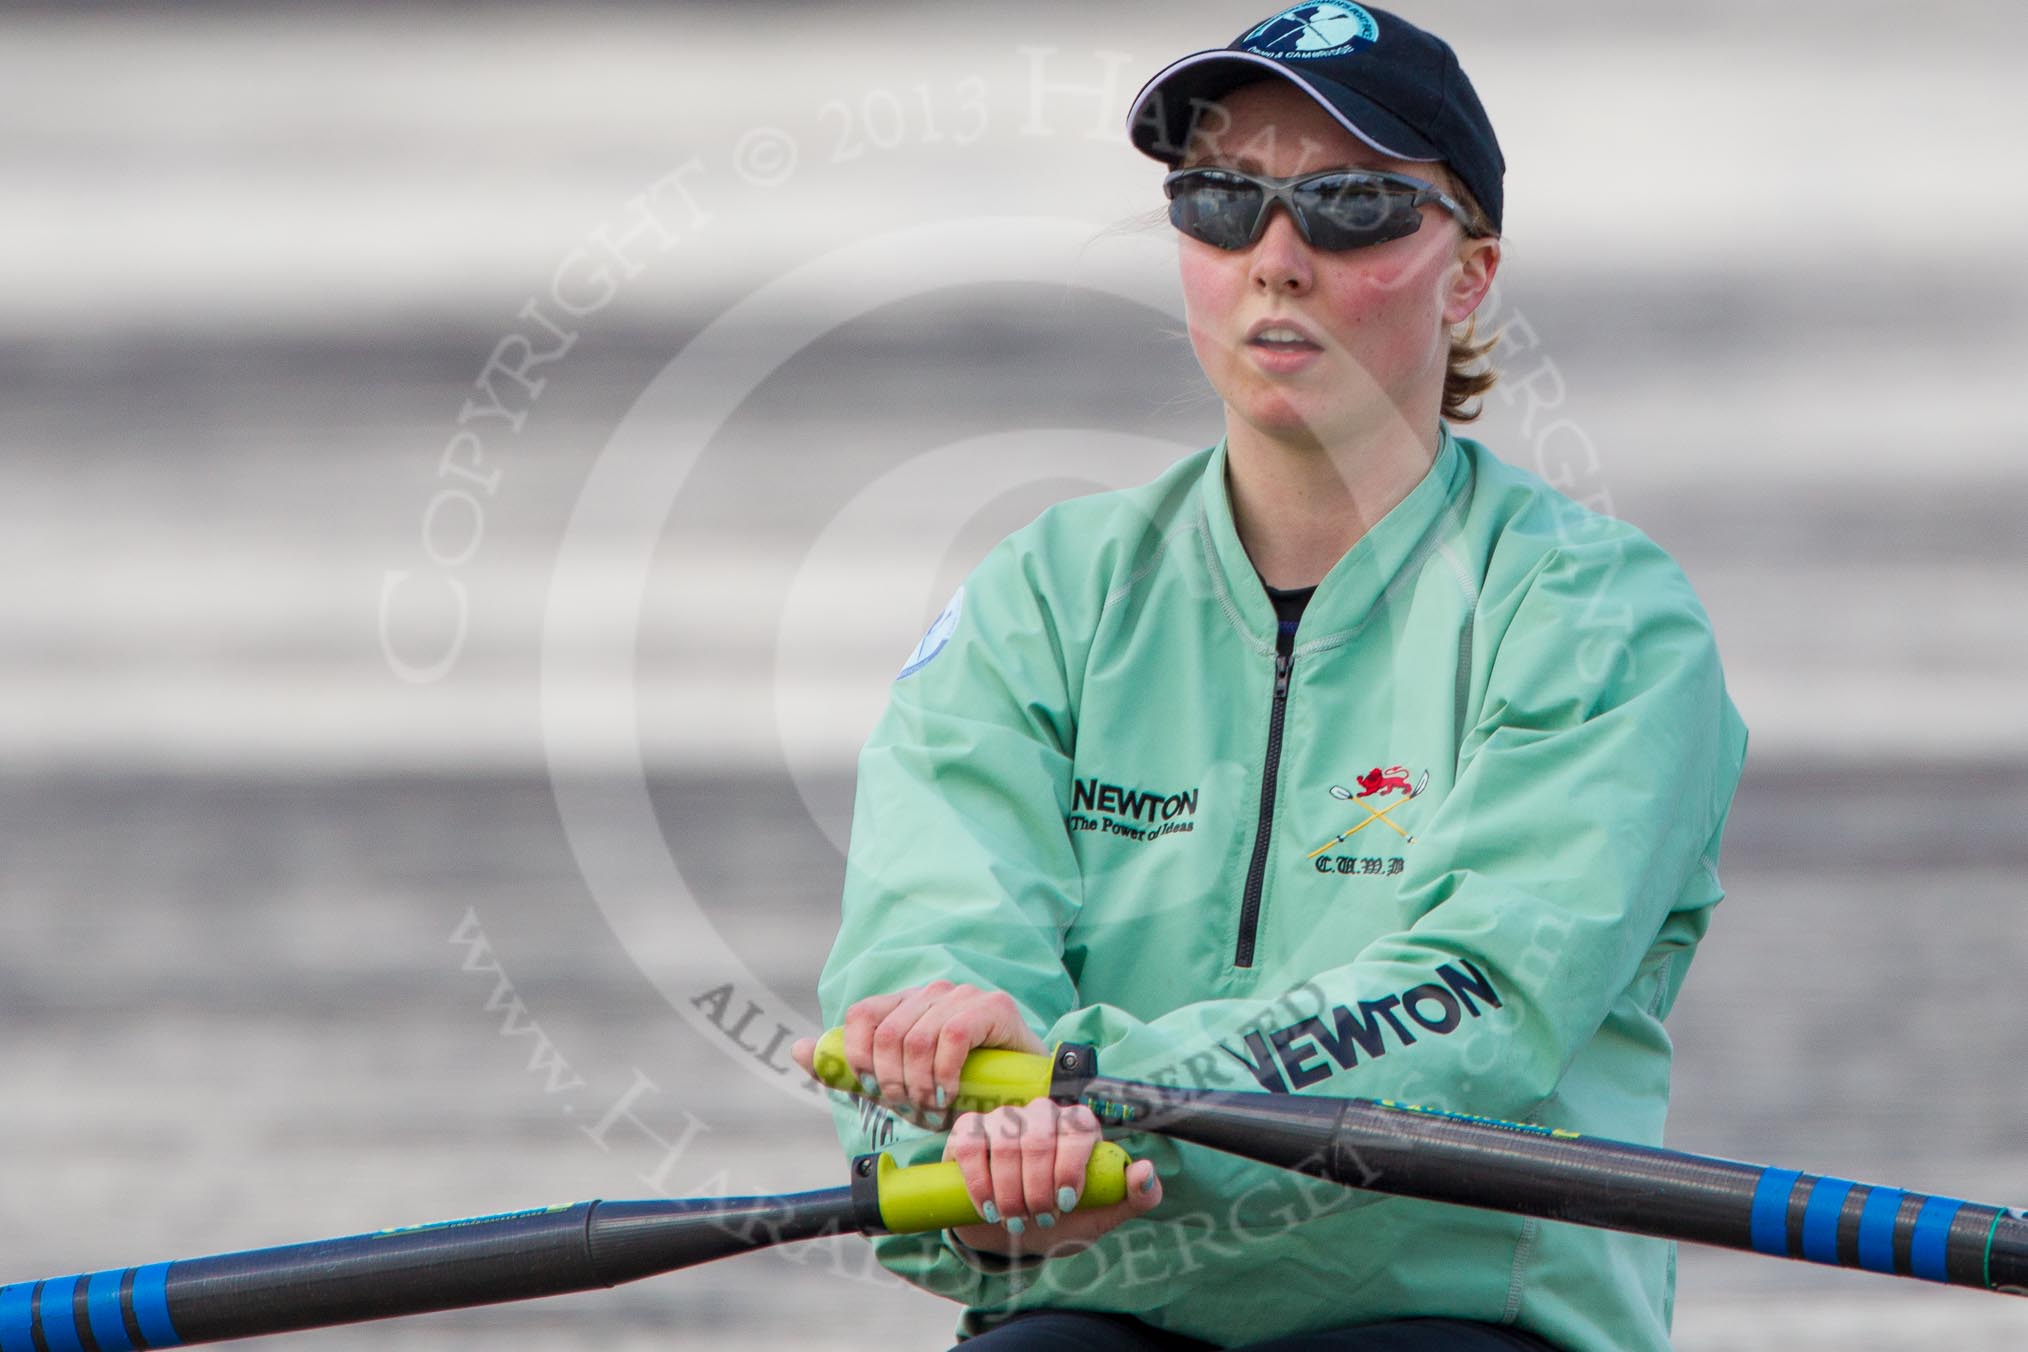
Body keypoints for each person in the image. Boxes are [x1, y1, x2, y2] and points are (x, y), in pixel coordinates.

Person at [792, 5, 1747, 1350]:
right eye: (1221, 201)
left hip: (1453, 1311)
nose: (1277, 259)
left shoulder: (1600, 619)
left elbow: (1473, 1006)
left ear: (1467, 276)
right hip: (1089, 1294)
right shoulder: (1042, 598)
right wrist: (978, 1167)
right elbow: (918, 972)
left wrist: (1085, 1100)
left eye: (1352, 206)